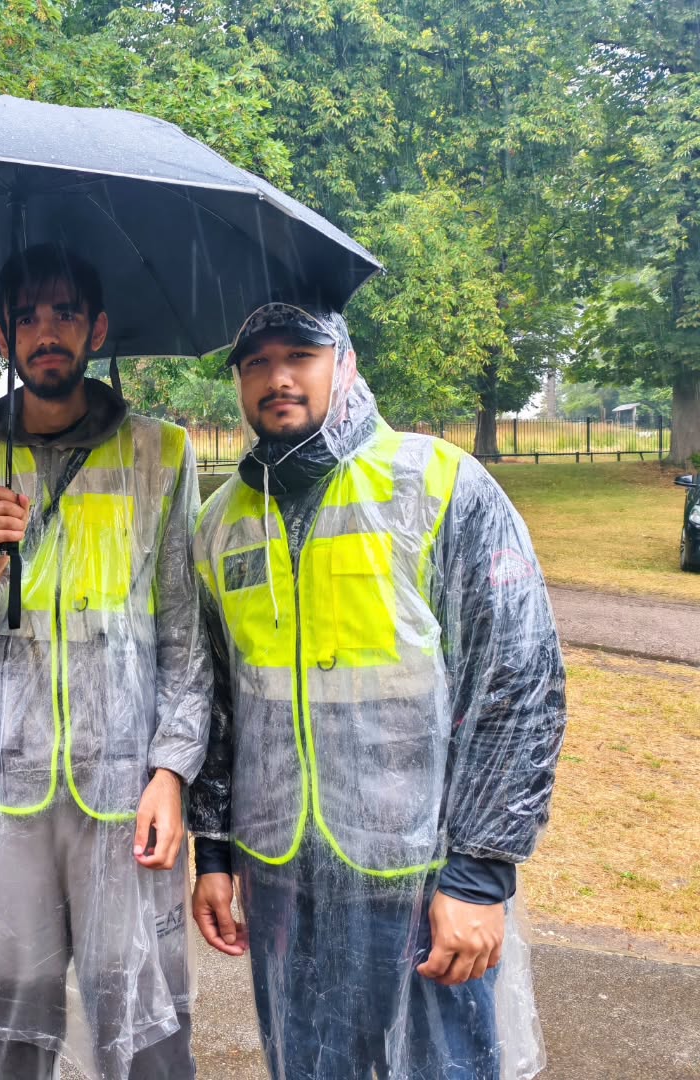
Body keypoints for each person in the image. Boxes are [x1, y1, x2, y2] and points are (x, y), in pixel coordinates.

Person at [188, 303, 568, 1080]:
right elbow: (221, 703)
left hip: (418, 877)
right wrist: (215, 853)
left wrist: (478, 875)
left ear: (347, 363)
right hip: (282, 874)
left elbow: (517, 683)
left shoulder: (436, 482)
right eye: (256, 363)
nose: (278, 378)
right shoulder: (222, 520)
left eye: (301, 354)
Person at [0, 244, 212, 1080]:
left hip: (122, 787)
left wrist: (172, 769)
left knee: (146, 1016)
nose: (45, 332)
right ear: (3, 337)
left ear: (98, 328)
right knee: (19, 1010)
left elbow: (185, 636)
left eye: (62, 314)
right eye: (26, 317)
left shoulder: (163, 451)